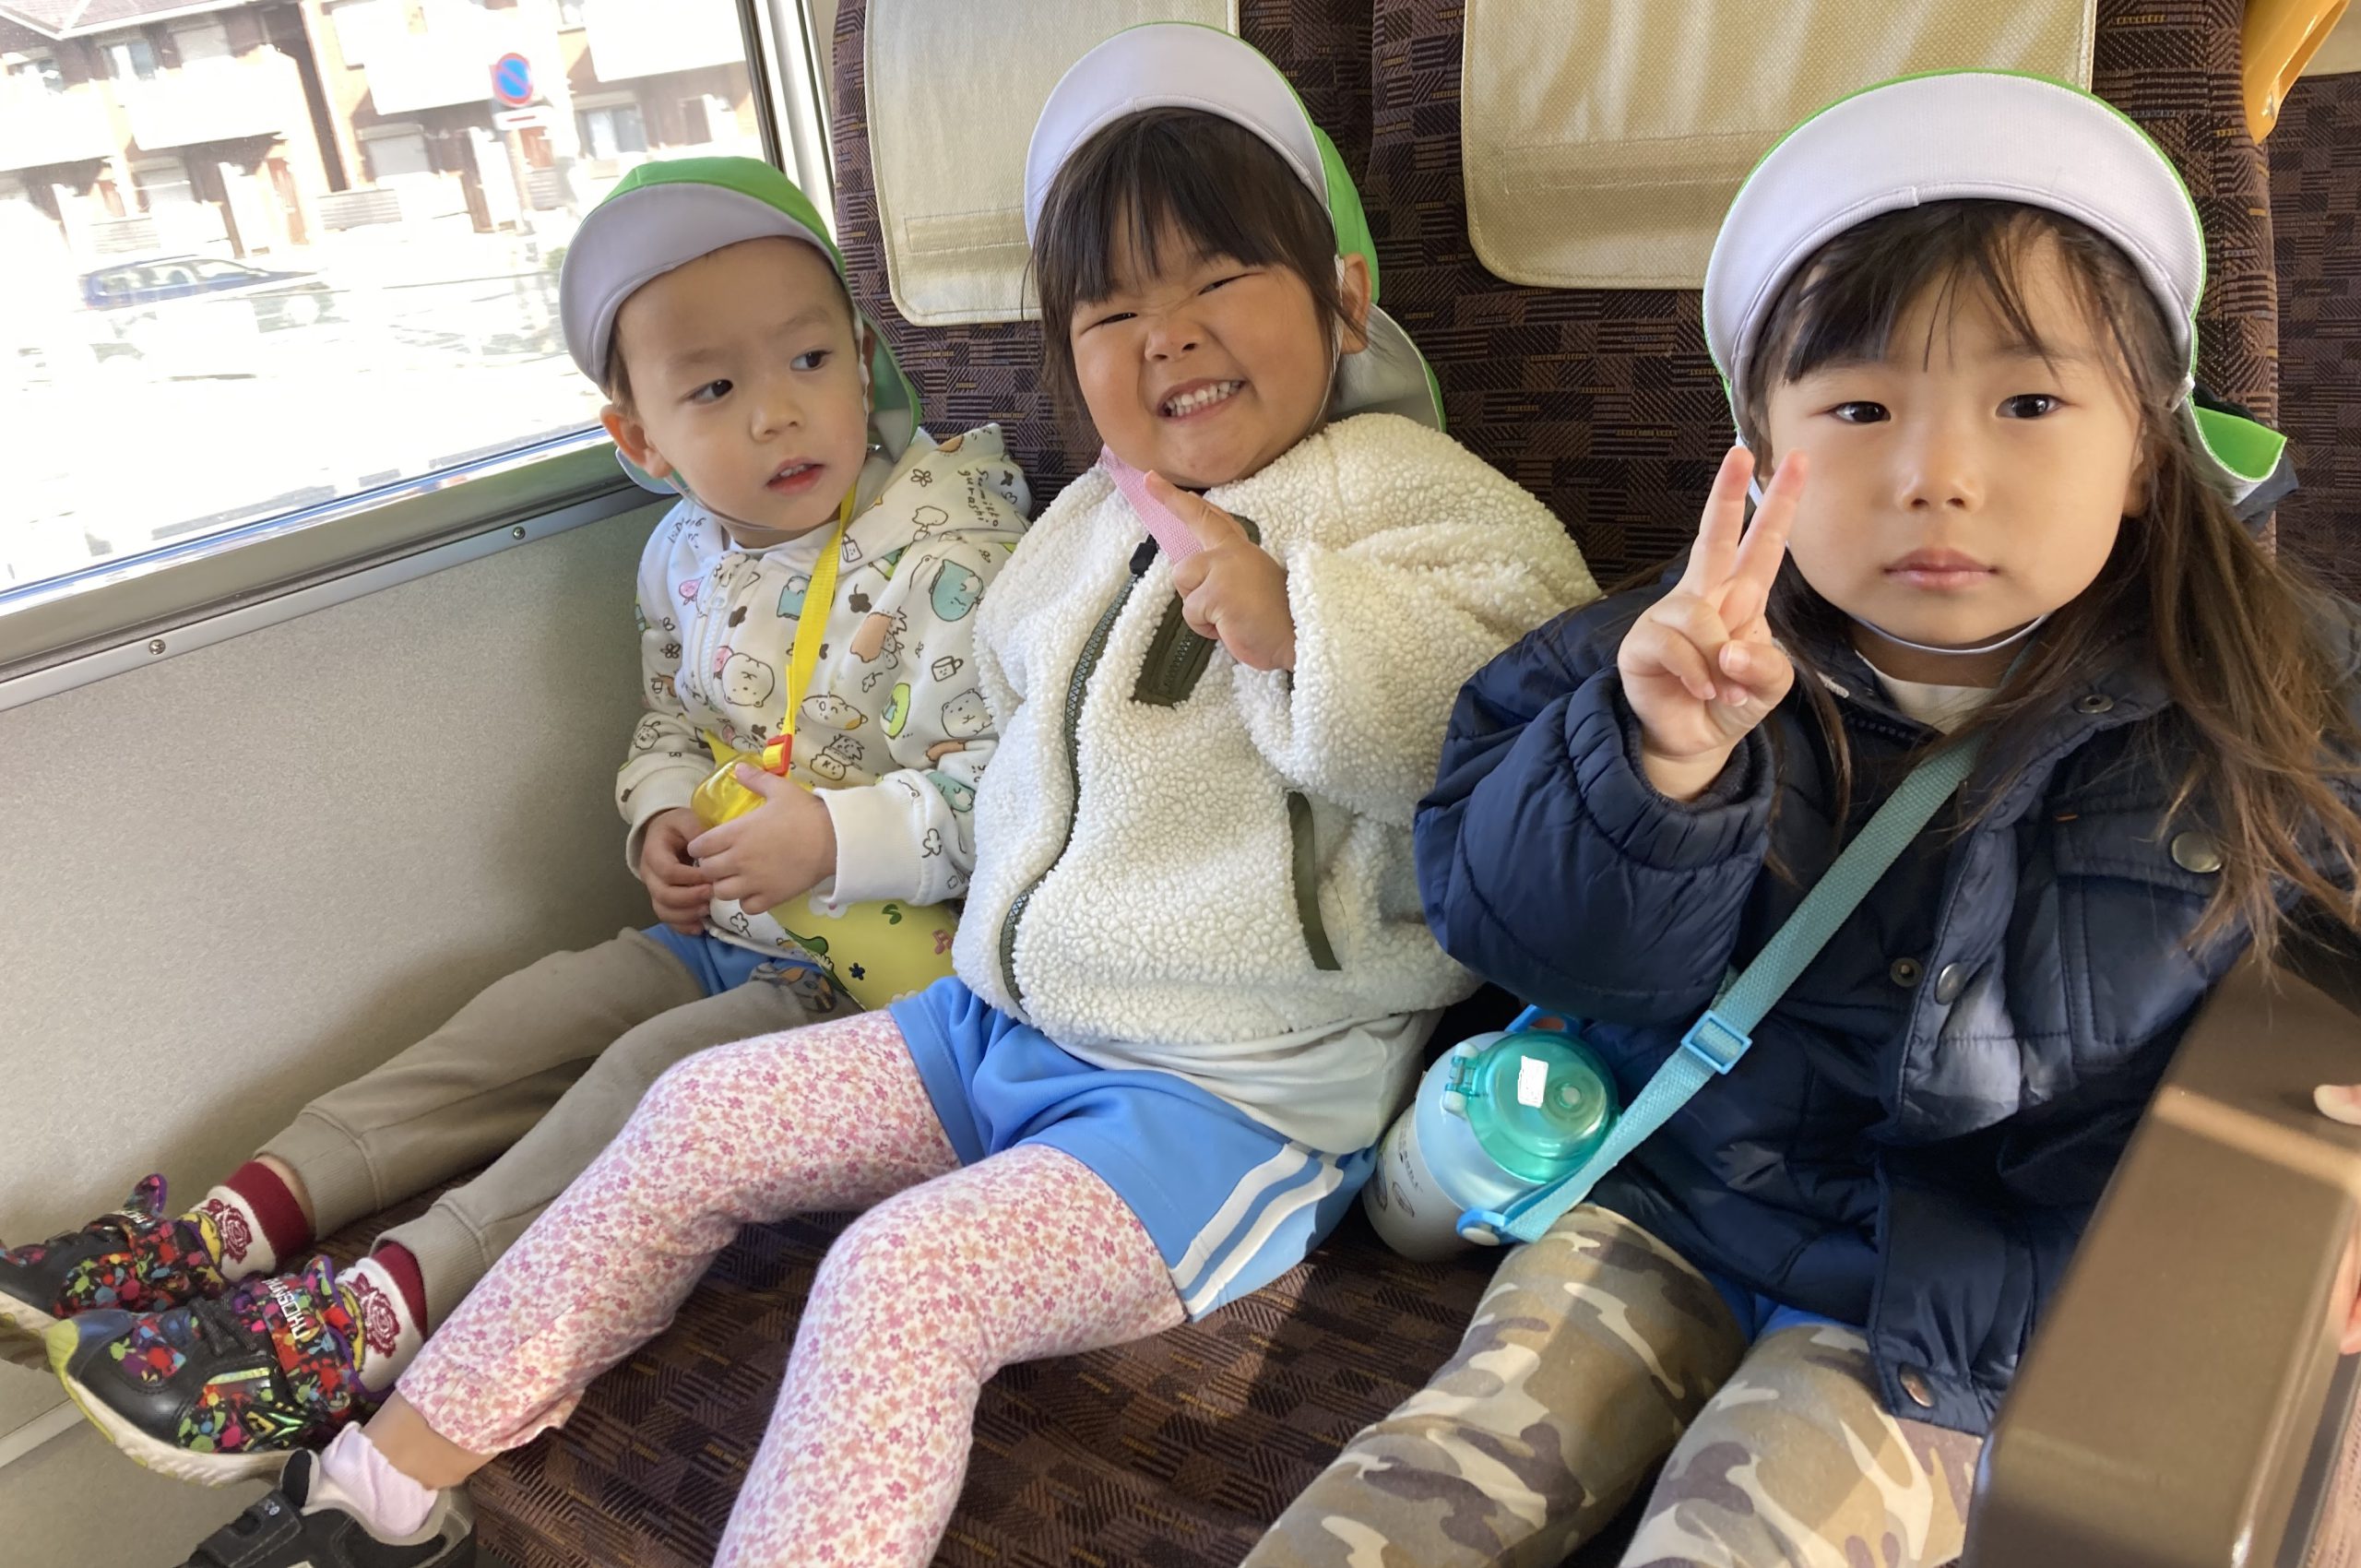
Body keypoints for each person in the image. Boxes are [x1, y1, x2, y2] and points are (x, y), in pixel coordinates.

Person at [157, 26, 1597, 1568]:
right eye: (1111, 309)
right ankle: (373, 1495)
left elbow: (1521, 750)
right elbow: (1006, 794)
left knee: (899, 1276)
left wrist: (1303, 625)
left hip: (1229, 1100)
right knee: (694, 1111)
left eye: (1220, 279)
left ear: (1344, 297)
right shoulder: (1076, 533)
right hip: (995, 1027)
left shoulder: (1415, 500)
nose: (1168, 337)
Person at [1246, 70, 2360, 1568]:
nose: (1937, 477)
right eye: (1860, 408)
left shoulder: (2274, 685)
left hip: (1961, 1294)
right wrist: (1659, 764)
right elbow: (1518, 934)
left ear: (2148, 454)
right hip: (1669, 1196)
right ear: (1763, 455)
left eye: (2030, 404)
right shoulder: (1649, 657)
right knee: (1407, 1499)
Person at [4, 156, 1028, 1486]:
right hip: (727, 929)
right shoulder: (684, 556)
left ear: (864, 361)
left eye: (810, 359)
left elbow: (1015, 794)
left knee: (646, 1078)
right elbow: (671, 723)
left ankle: (377, 1315)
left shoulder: (948, 555)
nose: (780, 412)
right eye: (716, 389)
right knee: (510, 1023)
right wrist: (661, 821)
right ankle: (228, 1229)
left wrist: (837, 839)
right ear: (641, 442)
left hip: (870, 984)